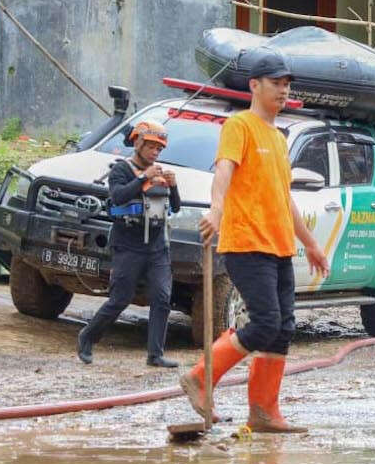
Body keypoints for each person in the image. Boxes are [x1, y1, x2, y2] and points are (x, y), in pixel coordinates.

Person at [180, 48, 331, 433]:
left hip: (279, 246)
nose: (283, 91)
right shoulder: (240, 126)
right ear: (254, 85)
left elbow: (284, 198)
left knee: (282, 328)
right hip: (246, 242)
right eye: (276, 84)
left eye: (286, 85)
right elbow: (224, 170)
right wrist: (215, 209)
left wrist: (311, 243)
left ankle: (264, 411)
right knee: (264, 323)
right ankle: (200, 377)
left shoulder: (279, 139)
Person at [76, 121, 181, 367]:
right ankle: (88, 336)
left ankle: (155, 355)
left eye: (159, 148)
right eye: (151, 146)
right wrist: (144, 177)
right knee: (120, 299)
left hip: (157, 247)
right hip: (128, 245)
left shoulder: (159, 173)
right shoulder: (121, 170)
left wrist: (173, 186)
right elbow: (118, 196)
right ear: (138, 143)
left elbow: (174, 207)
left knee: (162, 298)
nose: (155, 152)